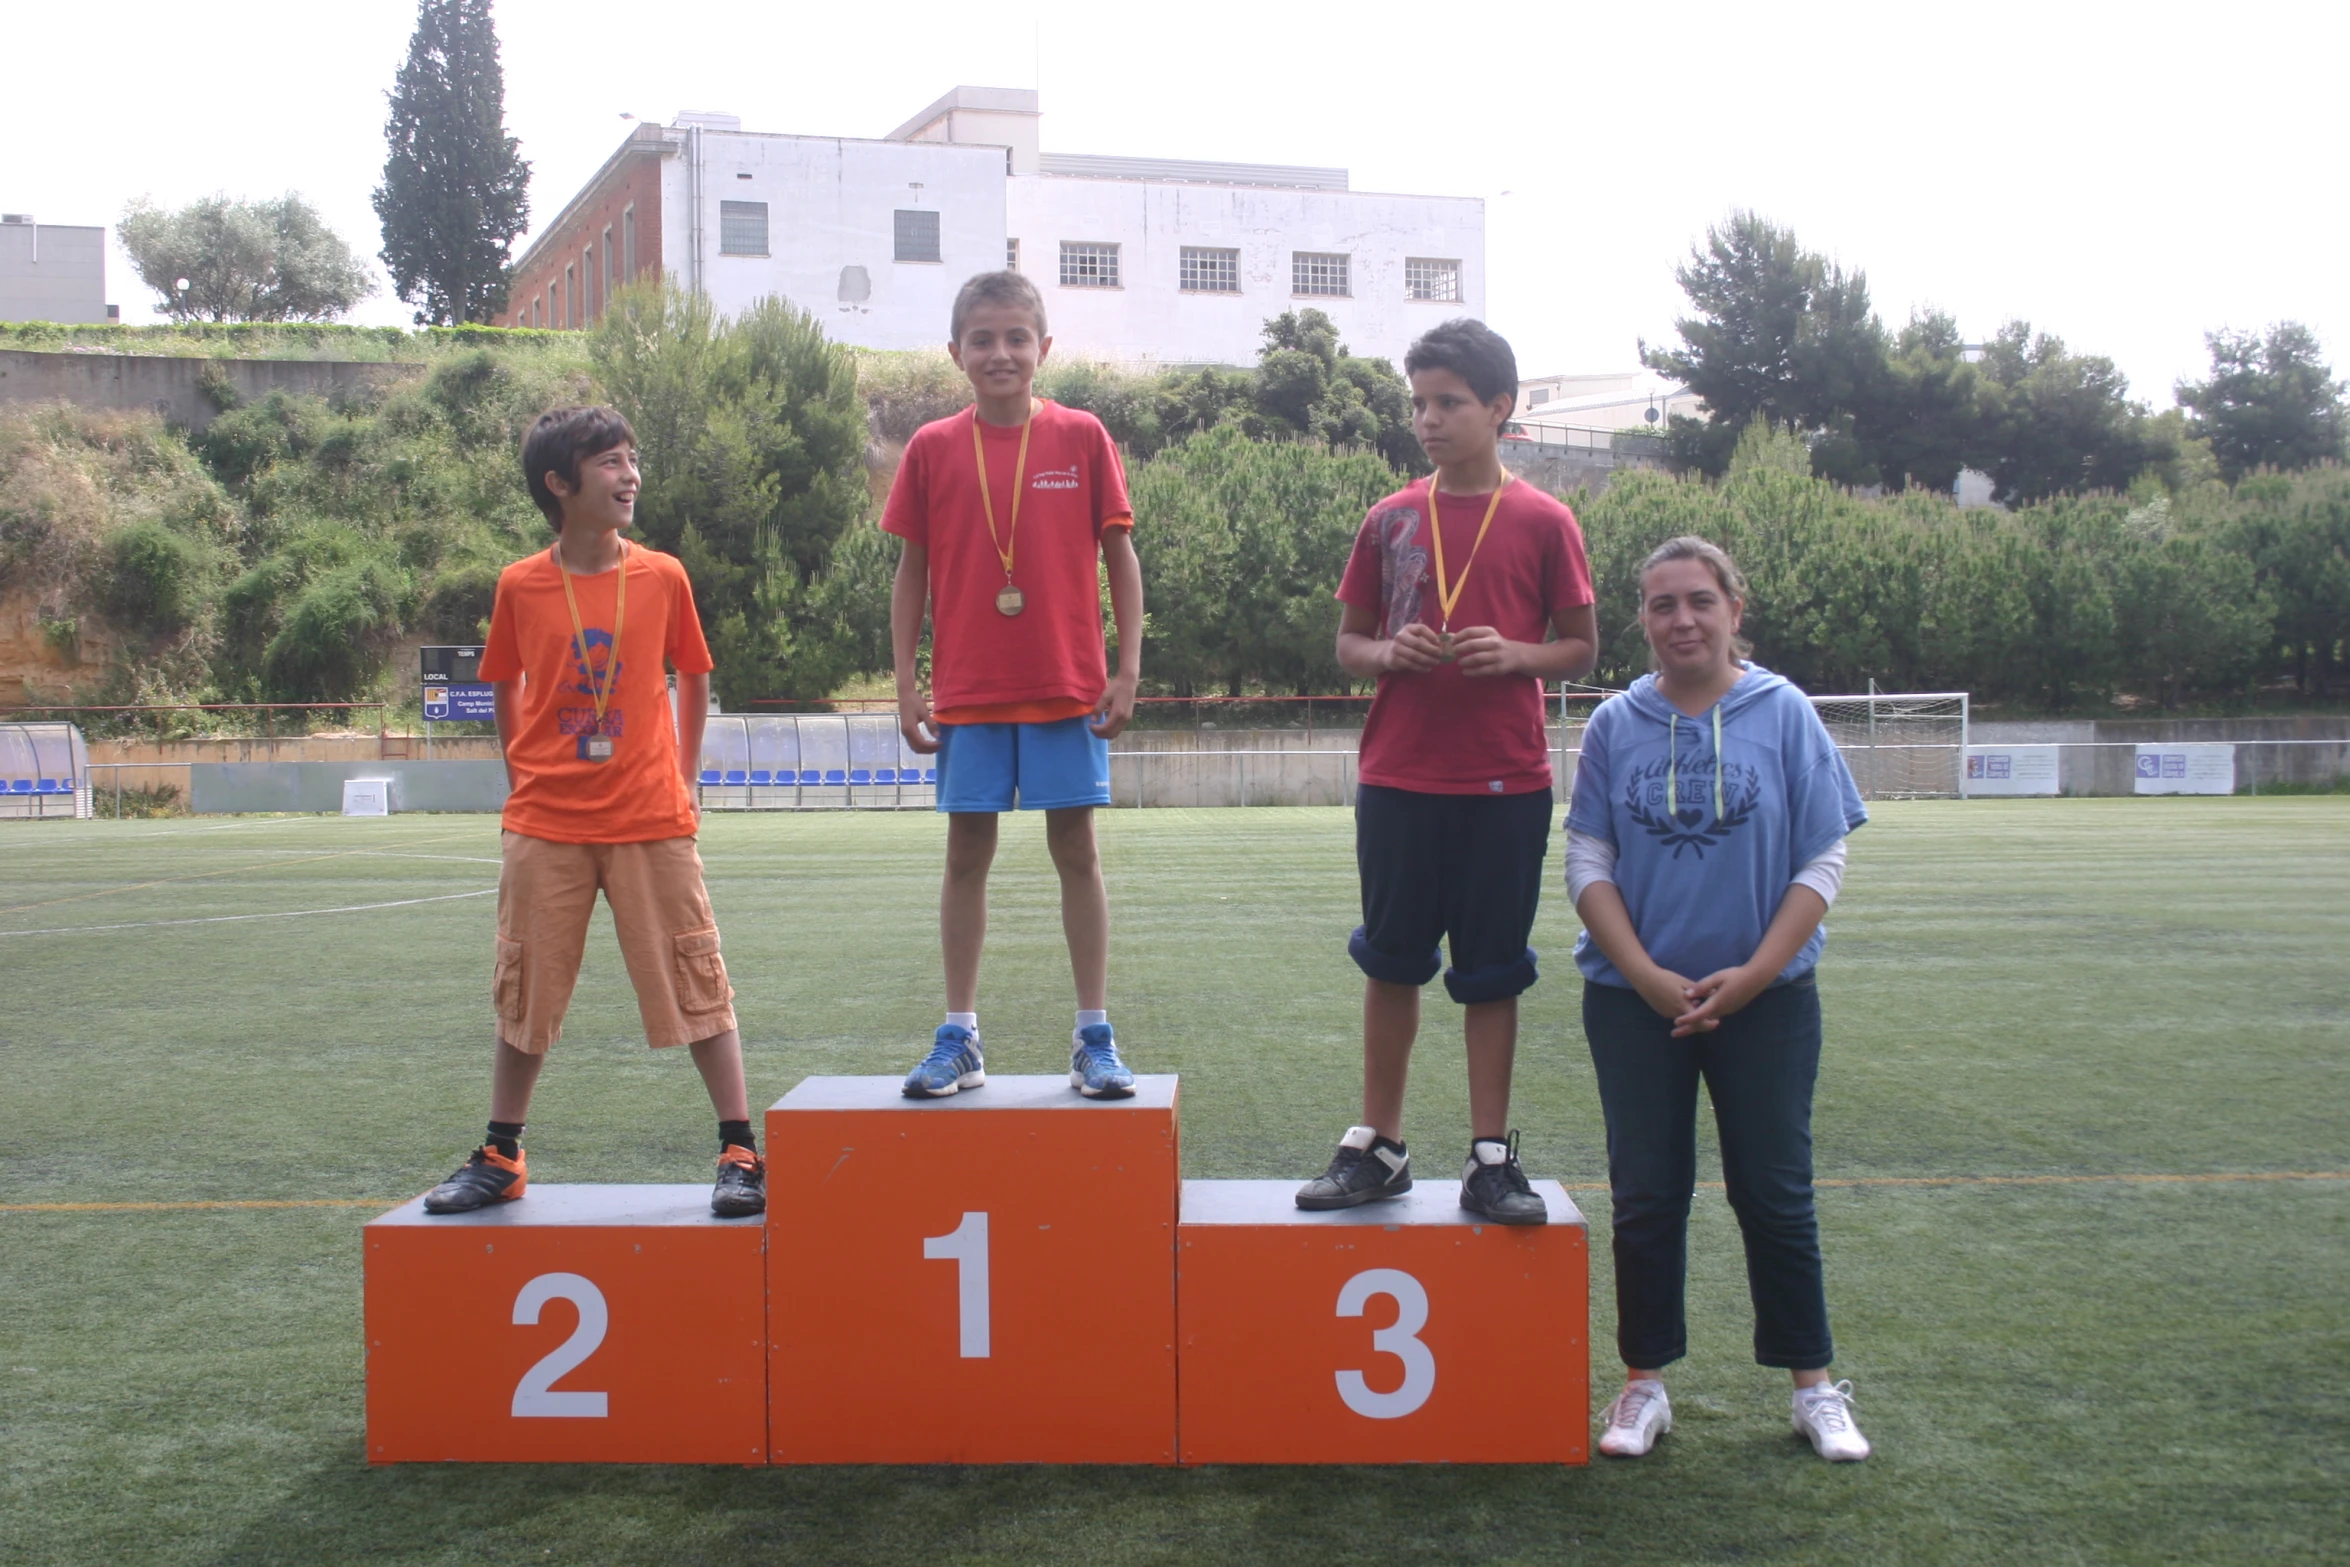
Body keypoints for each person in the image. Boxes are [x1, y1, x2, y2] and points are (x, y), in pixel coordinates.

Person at [1566, 535, 1872, 1461]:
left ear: (1736, 609)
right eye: (1662, 605)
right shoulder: (1616, 724)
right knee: (1647, 1193)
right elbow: (1589, 859)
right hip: (1633, 1001)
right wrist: (1651, 976)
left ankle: (1813, 1386)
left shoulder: (1785, 715)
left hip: (1768, 1000)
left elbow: (1823, 856)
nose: (1682, 619)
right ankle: (1643, 1384)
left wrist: (1755, 974)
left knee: (1774, 1193)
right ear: (1643, 621)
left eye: (1700, 600)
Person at [422, 405, 764, 1220]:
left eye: (632, 458)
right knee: (524, 986)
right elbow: (503, 680)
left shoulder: (663, 575)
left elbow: (694, 674)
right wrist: (521, 776)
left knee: (695, 972)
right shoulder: (519, 584)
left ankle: (740, 1150)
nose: (629, 475)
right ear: (559, 483)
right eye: (609, 462)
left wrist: (681, 779)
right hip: (546, 823)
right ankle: (502, 1152)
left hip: (651, 818)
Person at [1294, 317, 1597, 1224]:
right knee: (1391, 963)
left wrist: (1516, 654)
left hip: (1506, 783)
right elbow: (1347, 644)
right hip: (1400, 778)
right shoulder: (1388, 518)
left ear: (1501, 408)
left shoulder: (1546, 519)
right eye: (1419, 402)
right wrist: (1389, 651)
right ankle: (1379, 1145)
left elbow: (1580, 647)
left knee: (1492, 971)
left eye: (1449, 402)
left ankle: (1491, 1157)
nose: (1428, 418)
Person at [884, 271, 1145, 1099]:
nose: (1001, 353)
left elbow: (1120, 556)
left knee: (1077, 852)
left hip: (1066, 684)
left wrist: (1126, 664)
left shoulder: (1081, 436)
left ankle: (1093, 1034)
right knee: (966, 855)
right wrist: (905, 681)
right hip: (968, 691)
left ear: (1044, 348)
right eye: (984, 339)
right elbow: (910, 572)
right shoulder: (931, 446)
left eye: (1016, 338)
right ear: (956, 351)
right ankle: (959, 1033)